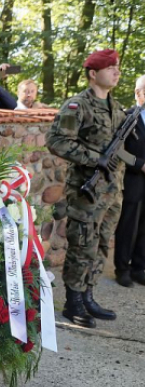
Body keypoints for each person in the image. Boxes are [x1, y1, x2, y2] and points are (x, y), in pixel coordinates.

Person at [46, 48, 127, 328]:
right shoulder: (77, 105)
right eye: (110, 68)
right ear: (94, 74)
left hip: (111, 192)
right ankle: (73, 302)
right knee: (82, 246)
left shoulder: (116, 108)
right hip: (85, 192)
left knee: (102, 245)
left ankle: (89, 296)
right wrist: (95, 159)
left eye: (117, 67)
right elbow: (56, 141)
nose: (117, 72)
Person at [114, 75, 145, 287]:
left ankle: (139, 268)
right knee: (128, 225)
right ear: (138, 93)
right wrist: (139, 164)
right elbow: (117, 149)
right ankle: (122, 269)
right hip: (134, 177)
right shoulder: (127, 116)